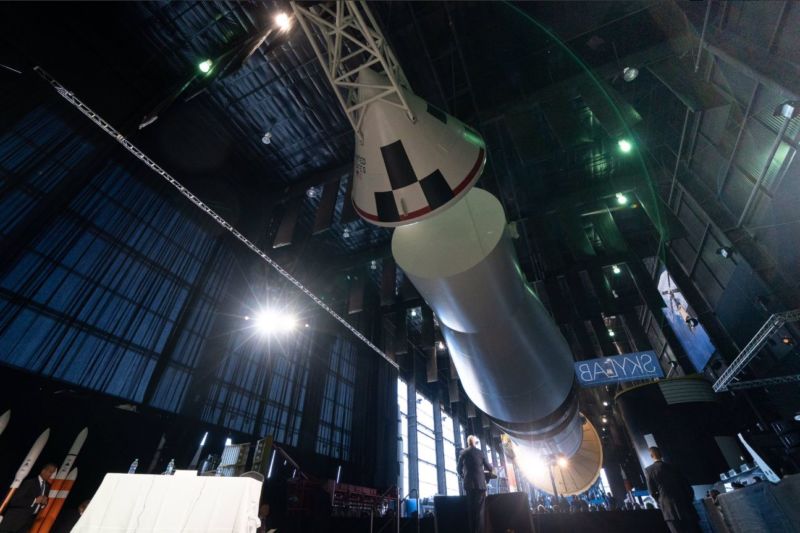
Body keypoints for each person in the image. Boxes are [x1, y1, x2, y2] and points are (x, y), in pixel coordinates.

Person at [645, 447, 700, 533]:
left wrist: (661, 503)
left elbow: (652, 492)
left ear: (651, 456)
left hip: (669, 510)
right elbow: (687, 486)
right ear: (661, 454)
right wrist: (689, 500)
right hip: (685, 506)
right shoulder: (673, 467)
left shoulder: (649, 470)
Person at [0, 463, 57, 533]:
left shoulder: (47, 486)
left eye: (53, 473)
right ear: (43, 471)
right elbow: (14, 501)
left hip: (27, 525)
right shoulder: (29, 482)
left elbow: (40, 505)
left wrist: (43, 504)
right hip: (12, 523)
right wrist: (35, 500)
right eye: (50, 472)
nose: (52, 475)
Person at [457, 435, 492, 533]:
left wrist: (464, 476)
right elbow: (489, 468)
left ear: (468, 443)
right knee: (480, 511)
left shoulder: (463, 453)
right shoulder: (480, 453)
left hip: (469, 485)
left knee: (471, 510)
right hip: (480, 485)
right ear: (475, 442)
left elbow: (458, 469)